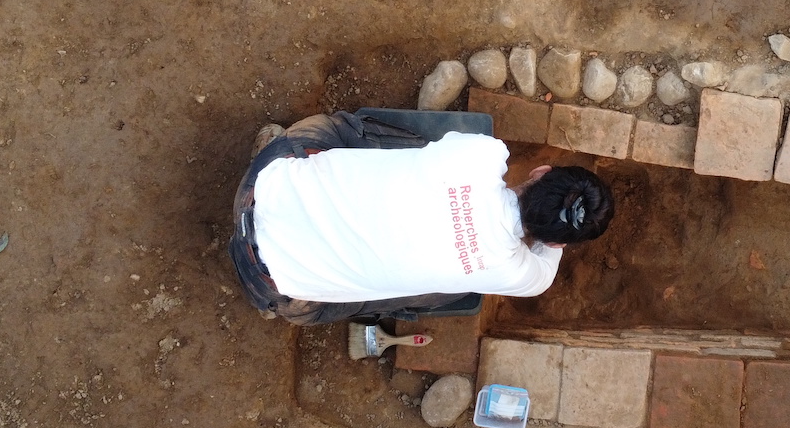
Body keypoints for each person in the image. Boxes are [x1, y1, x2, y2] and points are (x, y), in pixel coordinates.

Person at [229, 111, 613, 326]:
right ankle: (279, 309)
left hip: (260, 186)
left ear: (541, 172)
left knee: (371, 139)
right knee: (453, 288)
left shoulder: (482, 153)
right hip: (266, 282)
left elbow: (444, 158)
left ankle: (279, 148)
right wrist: (556, 236)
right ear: (558, 242)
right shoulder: (511, 271)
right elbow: (543, 276)